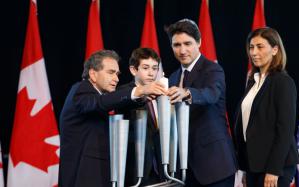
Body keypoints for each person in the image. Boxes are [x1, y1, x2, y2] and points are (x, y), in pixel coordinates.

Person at [58, 50, 167, 187]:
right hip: (83, 176)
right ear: (93, 74)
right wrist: (139, 91)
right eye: (111, 72)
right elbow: (100, 103)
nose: (116, 78)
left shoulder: (97, 96)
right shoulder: (81, 90)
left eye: (117, 74)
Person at [166, 19, 237, 187]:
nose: (182, 50)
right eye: (176, 45)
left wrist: (186, 92)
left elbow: (211, 94)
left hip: (215, 166)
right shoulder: (173, 77)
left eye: (187, 43)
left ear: (199, 42)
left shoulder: (212, 69)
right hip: (185, 169)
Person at [233, 27, 299, 187]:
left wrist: (274, 170)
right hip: (253, 166)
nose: (254, 52)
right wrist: (244, 168)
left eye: (260, 47)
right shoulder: (253, 81)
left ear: (275, 49)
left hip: (275, 166)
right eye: (251, 47)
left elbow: (285, 130)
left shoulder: (283, 82)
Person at [120, 47, 164, 185]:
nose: (151, 73)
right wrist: (142, 94)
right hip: (137, 168)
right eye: (145, 68)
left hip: (163, 168)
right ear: (134, 70)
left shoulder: (163, 93)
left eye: (154, 68)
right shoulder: (124, 92)